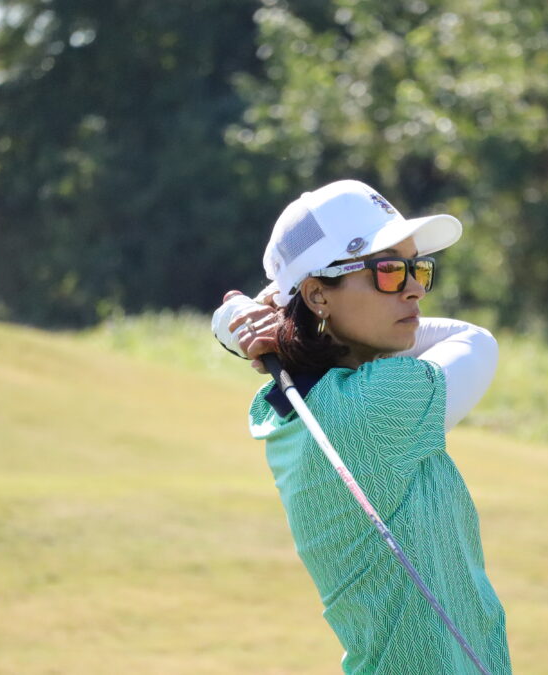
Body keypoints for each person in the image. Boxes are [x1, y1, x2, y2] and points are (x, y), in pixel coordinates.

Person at [211, 179, 511, 674]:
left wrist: (272, 316)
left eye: (418, 268)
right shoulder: (371, 408)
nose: (415, 287)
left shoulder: (314, 398)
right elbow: (474, 340)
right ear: (318, 295)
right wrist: (268, 314)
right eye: (389, 271)